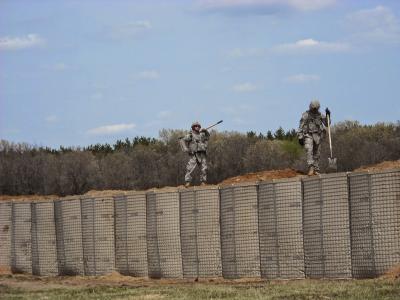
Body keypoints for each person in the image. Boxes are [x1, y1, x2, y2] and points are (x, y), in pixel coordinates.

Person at [298, 100, 331, 175]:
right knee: (309, 149)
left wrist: (328, 115)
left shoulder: (320, 115)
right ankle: (311, 167)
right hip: (308, 135)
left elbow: (327, 124)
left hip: (318, 135)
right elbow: (301, 125)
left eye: (316, 108)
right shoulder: (306, 115)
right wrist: (300, 136)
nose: (314, 110)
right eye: (313, 108)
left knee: (317, 153)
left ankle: (316, 169)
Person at [180, 121, 210, 187]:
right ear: (193, 127)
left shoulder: (202, 135)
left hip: (202, 154)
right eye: (196, 126)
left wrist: (206, 131)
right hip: (194, 154)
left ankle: (203, 182)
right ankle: (188, 182)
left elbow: (207, 137)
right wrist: (186, 149)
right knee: (190, 168)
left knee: (204, 168)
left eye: (198, 126)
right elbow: (182, 140)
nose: (197, 127)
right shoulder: (190, 135)